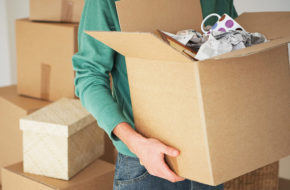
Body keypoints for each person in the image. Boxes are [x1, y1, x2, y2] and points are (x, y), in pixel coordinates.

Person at [72, 0, 238, 189]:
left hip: (207, 156)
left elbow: (235, 55)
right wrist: (137, 144)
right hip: (145, 162)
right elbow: (89, 77)